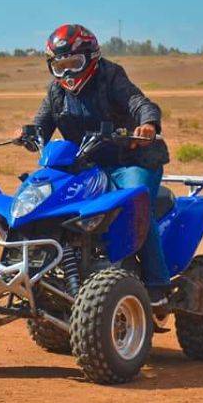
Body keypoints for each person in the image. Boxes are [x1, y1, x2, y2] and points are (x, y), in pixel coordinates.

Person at [20, 23, 172, 305]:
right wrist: (28, 133)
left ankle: (157, 286)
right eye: (59, 65)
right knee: (56, 203)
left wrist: (148, 124)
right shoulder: (56, 92)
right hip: (88, 166)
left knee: (135, 203)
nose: (67, 72)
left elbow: (140, 103)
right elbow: (41, 123)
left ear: (91, 58)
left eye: (73, 63)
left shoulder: (111, 76)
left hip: (131, 160)